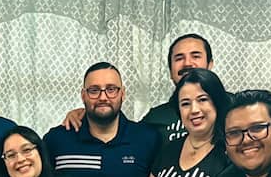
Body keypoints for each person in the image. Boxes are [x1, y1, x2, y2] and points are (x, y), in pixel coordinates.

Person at [59, 33, 214, 143]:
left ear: (210, 64)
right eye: (179, 58)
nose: (187, 63)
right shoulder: (157, 117)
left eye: (196, 56)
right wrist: (84, 114)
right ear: (170, 71)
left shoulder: (230, 106)